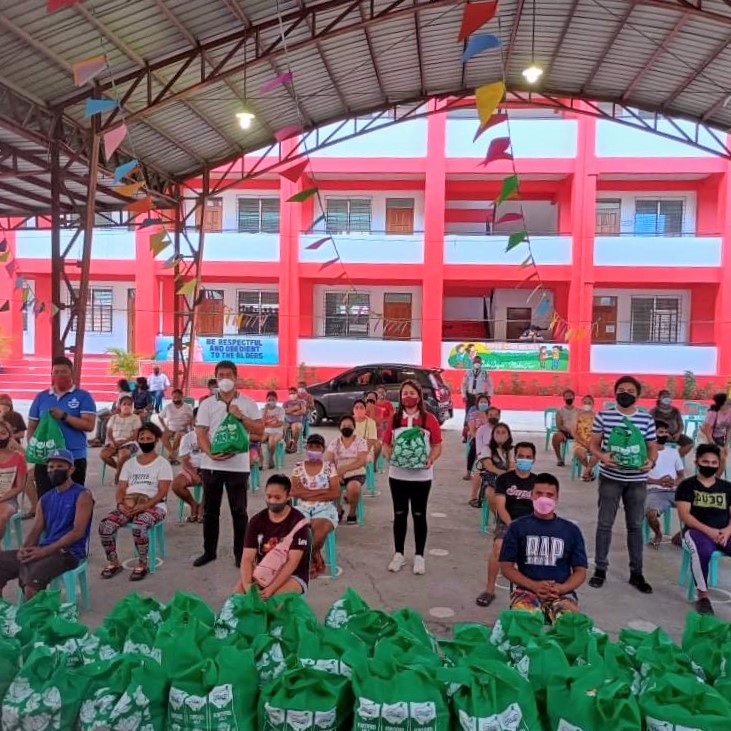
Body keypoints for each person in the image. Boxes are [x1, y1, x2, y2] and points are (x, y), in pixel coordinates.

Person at [589, 375, 657, 593]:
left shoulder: (646, 419)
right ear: (615, 392)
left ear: (637, 395)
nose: (625, 393)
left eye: (630, 390)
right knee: (604, 524)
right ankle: (600, 569)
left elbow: (652, 446)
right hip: (611, 478)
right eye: (621, 390)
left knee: (635, 527)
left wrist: (651, 461)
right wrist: (602, 457)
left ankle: (636, 573)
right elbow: (594, 445)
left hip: (637, 481)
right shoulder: (604, 416)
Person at [194, 360, 264, 568]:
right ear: (216, 378)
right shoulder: (207, 404)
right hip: (212, 465)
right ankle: (209, 552)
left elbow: (259, 432)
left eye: (228, 375)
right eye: (220, 375)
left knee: (239, 512)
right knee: (210, 512)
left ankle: (240, 554)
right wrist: (211, 454)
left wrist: (240, 416)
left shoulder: (249, 403)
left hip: (238, 466)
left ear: (236, 377)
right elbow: (200, 433)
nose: (224, 379)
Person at [0, 448, 93, 600]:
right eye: (51, 467)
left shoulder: (82, 495)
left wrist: (45, 551)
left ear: (71, 470)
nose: (54, 470)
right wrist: (25, 549)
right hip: (45, 549)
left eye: (60, 467)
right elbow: (36, 530)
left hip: (69, 553)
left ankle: (34, 620)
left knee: (32, 581)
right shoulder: (45, 499)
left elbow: (78, 532)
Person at [499, 473, 588, 624]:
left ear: (557, 498)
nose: (544, 498)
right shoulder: (517, 527)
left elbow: (580, 571)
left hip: (561, 594)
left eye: (549, 495)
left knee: (570, 625)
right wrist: (533, 585)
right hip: (526, 592)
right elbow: (506, 567)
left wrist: (562, 588)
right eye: (539, 493)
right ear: (531, 496)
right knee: (524, 625)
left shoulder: (571, 530)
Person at [382, 380, 443, 574]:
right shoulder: (395, 418)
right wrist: (389, 456)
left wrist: (431, 458)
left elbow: (437, 444)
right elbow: (386, 443)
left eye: (411, 393)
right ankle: (398, 554)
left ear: (419, 395)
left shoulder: (429, 419)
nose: (408, 396)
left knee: (419, 514)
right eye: (404, 393)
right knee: (399, 515)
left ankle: (419, 556)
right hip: (397, 475)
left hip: (421, 477)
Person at [98, 423, 171, 582]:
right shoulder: (130, 464)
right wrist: (120, 505)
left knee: (139, 525)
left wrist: (144, 506)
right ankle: (113, 562)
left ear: (156, 440)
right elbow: (121, 489)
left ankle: (143, 563)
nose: (145, 441)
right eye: (142, 438)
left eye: (149, 438)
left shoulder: (162, 464)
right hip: (129, 505)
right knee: (106, 526)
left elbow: (162, 492)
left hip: (154, 506)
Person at [476, 442, 537, 607]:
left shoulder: (537, 482)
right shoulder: (505, 479)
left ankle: (530, 589)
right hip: (507, 521)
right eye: (521, 456)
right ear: (515, 458)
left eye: (528, 457)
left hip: (530, 523)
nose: (524, 460)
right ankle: (489, 589)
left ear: (534, 459)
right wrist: (513, 525)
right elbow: (501, 507)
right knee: (498, 546)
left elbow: (540, 508)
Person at [26, 356, 96, 497]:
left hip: (74, 457)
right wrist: (36, 448)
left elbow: (89, 425)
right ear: (51, 374)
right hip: (47, 459)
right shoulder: (41, 397)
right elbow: (32, 427)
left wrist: (64, 416)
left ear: (71, 373)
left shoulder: (83, 396)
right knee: (45, 499)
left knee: (73, 499)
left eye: (63, 372)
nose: (59, 375)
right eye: (56, 372)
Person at [676, 444, 731, 615]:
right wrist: (709, 531)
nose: (710, 465)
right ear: (697, 462)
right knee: (703, 551)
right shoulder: (687, 485)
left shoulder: (727, 487)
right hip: (696, 531)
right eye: (705, 461)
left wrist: (728, 531)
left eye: (714, 462)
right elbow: (685, 515)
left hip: (724, 531)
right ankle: (703, 597)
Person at [236, 474, 310, 597]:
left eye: (277, 497)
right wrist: (247, 585)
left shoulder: (298, 521)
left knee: (273, 604)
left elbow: (293, 562)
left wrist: (272, 588)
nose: (272, 501)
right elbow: (247, 558)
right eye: (269, 496)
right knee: (236, 601)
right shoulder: (256, 521)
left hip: (293, 575)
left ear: (288, 496)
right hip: (262, 572)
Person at [291, 433, 340, 578]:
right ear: (306, 447)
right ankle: (315, 555)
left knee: (319, 532)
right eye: (311, 446)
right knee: (296, 530)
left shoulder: (329, 467)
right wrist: (322, 491)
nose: (313, 449)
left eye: (317, 447)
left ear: (323, 449)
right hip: (303, 507)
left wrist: (306, 493)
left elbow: (335, 492)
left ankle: (310, 557)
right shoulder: (298, 468)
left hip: (324, 508)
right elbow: (295, 491)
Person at [645, 419, 685, 548]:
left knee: (698, 509)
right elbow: (638, 477)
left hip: (674, 490)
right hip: (654, 491)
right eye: (660, 432)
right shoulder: (644, 452)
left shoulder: (673, 452)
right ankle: (658, 534)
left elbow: (681, 475)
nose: (664, 435)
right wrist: (657, 481)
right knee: (651, 514)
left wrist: (674, 482)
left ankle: (681, 535)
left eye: (666, 432)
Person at [325, 415, 369, 525]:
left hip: (356, 471)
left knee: (353, 487)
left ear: (354, 427)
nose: (346, 427)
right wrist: (337, 474)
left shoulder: (361, 442)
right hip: (337, 472)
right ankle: (338, 509)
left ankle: (352, 513)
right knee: (334, 486)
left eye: (349, 425)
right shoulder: (334, 443)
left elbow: (361, 461)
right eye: (344, 425)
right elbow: (330, 462)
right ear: (339, 428)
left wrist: (344, 469)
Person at [470, 422, 513, 509]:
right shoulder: (487, 449)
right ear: (493, 435)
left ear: (508, 435)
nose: (500, 434)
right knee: (491, 492)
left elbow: (513, 465)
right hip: (493, 479)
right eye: (497, 432)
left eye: (503, 432)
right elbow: (489, 466)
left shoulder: (513, 450)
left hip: (509, 478)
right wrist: (502, 473)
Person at [100, 395, 142, 483]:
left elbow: (135, 435)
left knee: (123, 454)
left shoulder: (135, 418)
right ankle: (121, 469)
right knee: (103, 455)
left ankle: (118, 475)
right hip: (113, 443)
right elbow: (108, 433)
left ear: (132, 406)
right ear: (120, 405)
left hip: (129, 443)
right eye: (124, 404)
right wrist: (113, 442)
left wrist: (124, 442)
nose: (127, 406)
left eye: (129, 404)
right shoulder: (114, 417)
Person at [171, 413, 204, 522]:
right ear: (193, 421)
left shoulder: (214, 436)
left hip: (209, 469)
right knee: (176, 485)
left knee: (213, 483)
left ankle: (202, 509)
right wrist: (194, 474)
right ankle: (193, 504)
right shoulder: (187, 437)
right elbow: (184, 460)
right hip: (191, 469)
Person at [0, 421, 26, 543]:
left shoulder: (18, 457)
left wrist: (3, 497)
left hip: (8, 499)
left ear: (10, 436)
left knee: (2, 516)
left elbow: (20, 486)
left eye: (3, 433)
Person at [651, 390, 693, 459]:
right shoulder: (654, 411)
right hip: (659, 436)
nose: (666, 398)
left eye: (668, 396)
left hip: (675, 435)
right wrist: (665, 434)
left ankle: (674, 459)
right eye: (664, 396)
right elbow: (651, 426)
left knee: (689, 443)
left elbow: (681, 424)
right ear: (659, 398)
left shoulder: (675, 410)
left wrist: (678, 433)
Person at [160, 389, 194, 463]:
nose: (176, 398)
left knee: (178, 435)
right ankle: (172, 453)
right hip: (170, 429)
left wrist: (188, 423)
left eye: (178, 396)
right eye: (174, 397)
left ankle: (171, 455)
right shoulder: (168, 407)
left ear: (182, 397)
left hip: (183, 429)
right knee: (162, 436)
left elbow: (193, 418)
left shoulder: (188, 407)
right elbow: (160, 417)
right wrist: (165, 427)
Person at [464, 393, 491, 480]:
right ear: (478, 404)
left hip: (489, 438)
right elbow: (472, 430)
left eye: (485, 402)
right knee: (473, 451)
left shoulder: (491, 415)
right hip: (477, 438)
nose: (483, 403)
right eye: (481, 402)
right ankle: (468, 473)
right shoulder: (473, 414)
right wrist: (479, 439)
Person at [701, 393, 731, 469]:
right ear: (722, 403)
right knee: (712, 457)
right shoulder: (713, 412)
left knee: (722, 458)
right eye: (727, 400)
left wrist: (726, 446)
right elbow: (707, 431)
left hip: (719, 437)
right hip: (705, 436)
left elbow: (729, 429)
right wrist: (715, 446)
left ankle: (716, 479)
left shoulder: (730, 412)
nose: (729, 401)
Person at [573, 395, 599, 481]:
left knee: (597, 454)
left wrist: (592, 444)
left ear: (593, 404)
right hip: (579, 442)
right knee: (581, 455)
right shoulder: (577, 416)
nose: (587, 404)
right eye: (585, 403)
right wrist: (583, 443)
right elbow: (573, 432)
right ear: (582, 403)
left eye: (589, 403)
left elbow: (599, 433)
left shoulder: (597, 417)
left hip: (593, 443)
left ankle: (586, 472)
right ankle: (590, 472)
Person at [553, 389, 578, 467]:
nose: (568, 398)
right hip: (564, 432)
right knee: (556, 437)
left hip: (576, 432)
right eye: (566, 396)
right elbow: (559, 425)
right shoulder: (560, 412)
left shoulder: (579, 411)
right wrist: (569, 430)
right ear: (563, 398)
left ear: (574, 397)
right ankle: (559, 459)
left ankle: (577, 458)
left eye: (570, 396)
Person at [261, 391, 285, 469]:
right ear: (266, 400)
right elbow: (262, 423)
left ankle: (271, 459)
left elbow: (280, 423)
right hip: (266, 431)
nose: (271, 401)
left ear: (276, 400)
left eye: (273, 399)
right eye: (269, 399)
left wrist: (268, 425)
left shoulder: (280, 410)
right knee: (259, 440)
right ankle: (260, 461)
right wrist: (265, 411)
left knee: (272, 441)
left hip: (277, 431)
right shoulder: (262, 410)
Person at [283, 386, 307, 453]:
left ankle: (294, 445)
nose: (292, 395)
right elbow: (284, 411)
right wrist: (295, 408)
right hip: (287, 421)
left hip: (297, 421)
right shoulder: (286, 403)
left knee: (295, 427)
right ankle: (288, 445)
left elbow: (303, 411)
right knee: (281, 428)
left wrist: (291, 411)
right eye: (290, 394)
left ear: (297, 394)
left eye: (293, 393)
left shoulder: (302, 402)